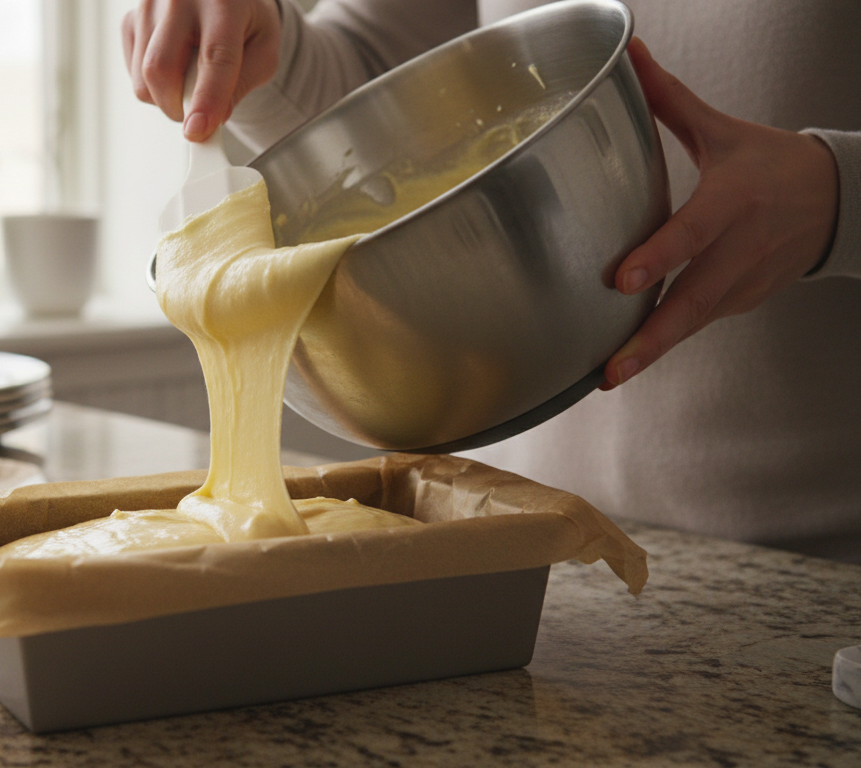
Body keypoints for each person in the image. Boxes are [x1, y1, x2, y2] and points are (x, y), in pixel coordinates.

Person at [123, 0, 861, 562]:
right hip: (510, 541)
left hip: (818, 565)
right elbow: (382, 93)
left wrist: (838, 195)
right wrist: (256, 42)